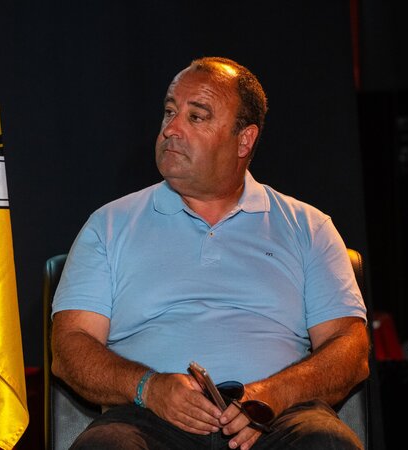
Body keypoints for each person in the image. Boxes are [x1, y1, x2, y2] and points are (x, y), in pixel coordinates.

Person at [51, 56, 370, 450]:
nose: (170, 129)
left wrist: (274, 394)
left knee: (325, 443)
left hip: (278, 419)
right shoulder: (108, 226)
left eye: (196, 117)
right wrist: (148, 387)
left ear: (244, 140)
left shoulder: (309, 228)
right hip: (148, 420)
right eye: (170, 111)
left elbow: (350, 348)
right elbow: (70, 345)